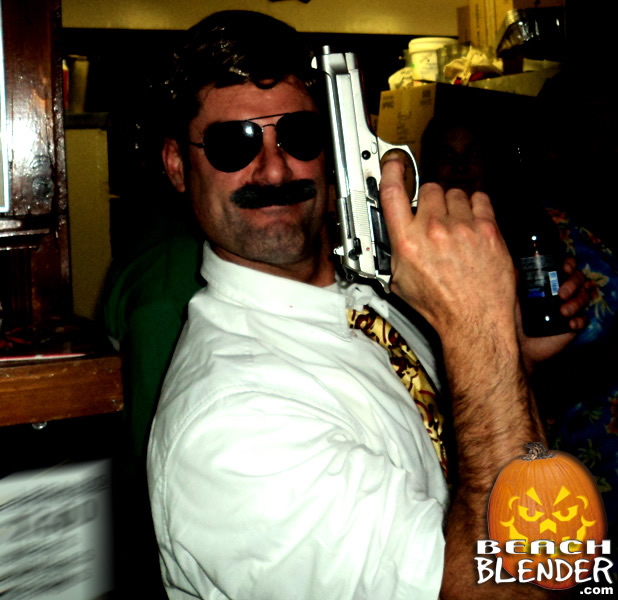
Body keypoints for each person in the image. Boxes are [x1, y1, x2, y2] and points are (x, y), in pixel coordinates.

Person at [146, 11, 590, 599]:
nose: (275, 168)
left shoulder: (373, 296)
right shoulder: (229, 428)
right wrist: (480, 333)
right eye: (234, 144)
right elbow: (517, 586)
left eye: (298, 135)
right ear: (178, 165)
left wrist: (511, 352)